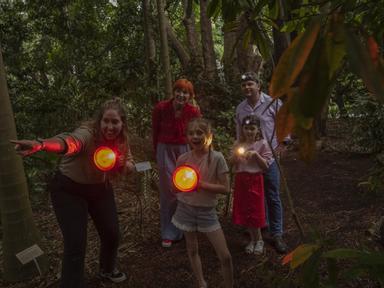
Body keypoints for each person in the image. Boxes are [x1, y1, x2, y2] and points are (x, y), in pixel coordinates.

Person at [11, 98, 135, 288]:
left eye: (115, 122)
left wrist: (124, 164)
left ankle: (107, 270)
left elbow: (130, 165)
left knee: (112, 233)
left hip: (99, 189)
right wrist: (42, 145)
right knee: (76, 243)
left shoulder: (121, 141)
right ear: (99, 121)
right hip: (69, 190)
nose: (110, 126)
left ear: (122, 123)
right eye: (106, 121)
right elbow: (69, 143)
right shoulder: (87, 134)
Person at [171, 118, 233, 288]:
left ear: (209, 136)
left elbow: (226, 188)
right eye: (191, 133)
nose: (195, 136)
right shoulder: (183, 159)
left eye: (200, 133)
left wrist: (201, 185)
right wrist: (179, 184)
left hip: (207, 212)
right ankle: (201, 283)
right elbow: (175, 186)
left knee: (225, 256)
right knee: (192, 249)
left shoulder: (217, 158)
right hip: (185, 208)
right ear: (187, 137)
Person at [235, 72, 289, 254]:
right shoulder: (241, 108)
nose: (247, 88)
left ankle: (277, 233)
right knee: (254, 194)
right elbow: (239, 133)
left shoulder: (272, 103)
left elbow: (284, 126)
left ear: (258, 85)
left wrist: (283, 145)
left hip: (270, 156)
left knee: (272, 194)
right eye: (244, 85)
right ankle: (259, 226)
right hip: (250, 160)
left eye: (250, 84)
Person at [152, 79, 201, 248]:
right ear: (173, 92)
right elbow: (155, 131)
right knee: (168, 192)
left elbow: (199, 134)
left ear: (190, 96)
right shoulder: (161, 108)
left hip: (185, 150)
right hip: (164, 149)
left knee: (186, 188)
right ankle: (168, 232)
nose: (181, 95)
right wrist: (156, 154)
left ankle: (185, 227)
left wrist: (198, 155)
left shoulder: (193, 111)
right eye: (179, 91)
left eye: (186, 92)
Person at [230, 115, 273, 255]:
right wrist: (235, 157)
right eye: (246, 128)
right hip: (241, 180)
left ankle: (259, 240)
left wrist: (255, 155)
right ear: (242, 129)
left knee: (255, 209)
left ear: (258, 129)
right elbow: (232, 163)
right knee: (245, 210)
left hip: (255, 179)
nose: (249, 131)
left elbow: (266, 166)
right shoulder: (238, 144)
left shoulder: (263, 144)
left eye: (252, 128)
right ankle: (252, 240)